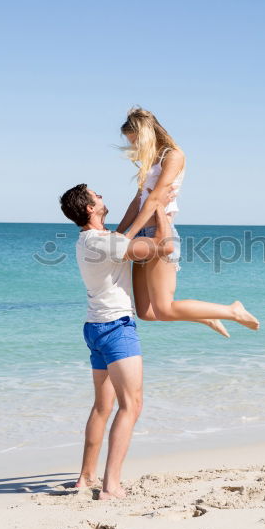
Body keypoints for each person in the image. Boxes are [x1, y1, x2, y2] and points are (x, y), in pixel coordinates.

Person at [59, 183, 174, 500]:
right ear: (89, 209)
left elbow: (124, 229)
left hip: (95, 328)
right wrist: (160, 208)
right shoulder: (107, 244)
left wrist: (145, 197)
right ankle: (110, 486)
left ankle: (85, 478)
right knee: (131, 405)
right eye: (97, 196)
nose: (101, 197)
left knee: (103, 406)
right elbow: (164, 246)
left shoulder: (90, 240)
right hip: (116, 328)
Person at [115, 107, 259, 336]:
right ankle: (206, 317)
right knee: (145, 312)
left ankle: (232, 310)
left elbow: (154, 199)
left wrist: (128, 237)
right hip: (142, 233)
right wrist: (118, 234)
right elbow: (138, 201)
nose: (135, 148)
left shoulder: (173, 155)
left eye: (136, 142)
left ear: (148, 134)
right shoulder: (150, 160)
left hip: (158, 232)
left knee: (165, 309)